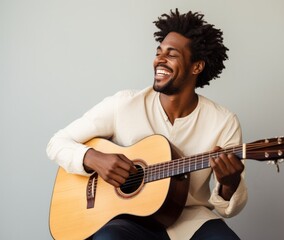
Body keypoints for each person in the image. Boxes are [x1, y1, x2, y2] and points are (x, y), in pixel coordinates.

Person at [47, 8, 247, 240]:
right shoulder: (124, 104)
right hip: (126, 219)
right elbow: (56, 142)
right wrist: (93, 158)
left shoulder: (223, 121)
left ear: (197, 67)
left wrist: (228, 185)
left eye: (171, 54)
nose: (159, 60)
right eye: (158, 52)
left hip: (189, 219)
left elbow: (228, 207)